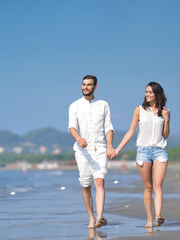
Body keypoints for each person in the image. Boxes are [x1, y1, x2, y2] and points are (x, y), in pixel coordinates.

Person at [115, 82, 170, 228]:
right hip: (143, 152)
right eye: (146, 92)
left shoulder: (164, 111)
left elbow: (165, 135)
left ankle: (158, 216)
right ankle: (149, 220)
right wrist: (117, 149)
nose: (147, 95)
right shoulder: (139, 110)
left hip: (160, 151)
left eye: (150, 92)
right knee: (148, 187)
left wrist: (167, 119)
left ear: (158, 94)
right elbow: (131, 131)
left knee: (158, 185)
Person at [68, 75, 116, 229]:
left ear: (95, 87)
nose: (85, 87)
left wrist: (109, 146)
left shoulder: (103, 104)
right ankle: (91, 218)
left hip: (100, 149)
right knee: (86, 185)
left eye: (89, 85)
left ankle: (100, 217)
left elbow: (108, 127)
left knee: (99, 181)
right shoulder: (74, 105)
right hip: (82, 151)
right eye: (83, 84)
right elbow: (72, 127)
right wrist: (78, 138)